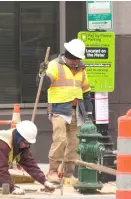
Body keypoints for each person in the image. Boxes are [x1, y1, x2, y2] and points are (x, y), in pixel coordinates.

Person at [37, 39, 93, 182]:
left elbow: (86, 92)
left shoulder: (81, 69)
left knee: (74, 143)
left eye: (79, 60)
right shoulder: (54, 65)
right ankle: (52, 171)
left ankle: (68, 174)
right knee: (60, 139)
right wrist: (41, 74)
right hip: (59, 108)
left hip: (77, 110)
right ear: (69, 56)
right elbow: (43, 87)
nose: (77, 63)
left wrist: (89, 114)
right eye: (75, 60)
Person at [0, 120, 57, 195]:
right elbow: (1, 168)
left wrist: (44, 181)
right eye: (25, 143)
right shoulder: (1, 143)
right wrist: (12, 188)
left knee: (3, 184)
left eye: (29, 144)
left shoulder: (20, 144)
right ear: (19, 137)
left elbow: (30, 165)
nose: (26, 146)